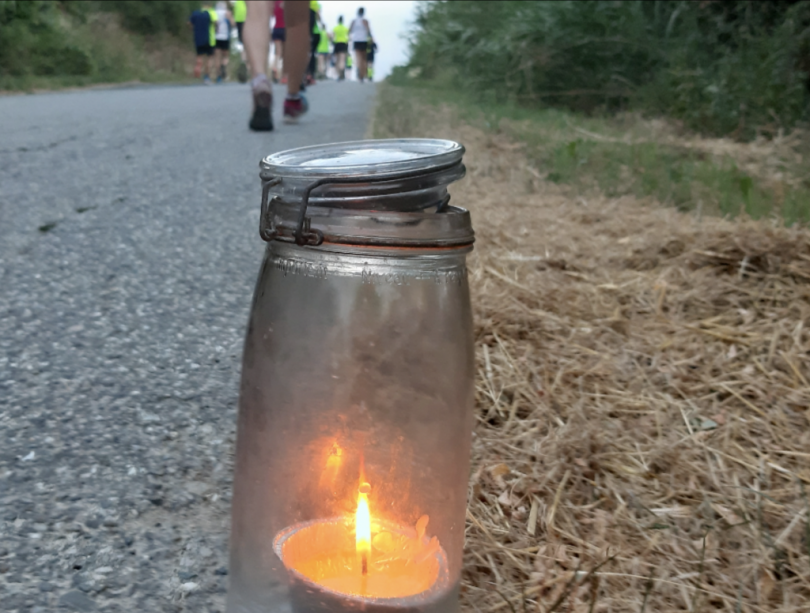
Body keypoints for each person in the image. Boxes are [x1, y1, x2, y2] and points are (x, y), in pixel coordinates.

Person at [244, 0, 309, 130]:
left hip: (276, 30)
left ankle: (261, 82)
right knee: (297, 20)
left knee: (256, 11)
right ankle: (293, 98)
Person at [189, 4, 215, 84]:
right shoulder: (209, 14)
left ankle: (197, 73)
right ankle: (207, 76)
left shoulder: (195, 13)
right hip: (208, 39)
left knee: (199, 57)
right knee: (209, 58)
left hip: (198, 39)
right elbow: (215, 23)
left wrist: (193, 29)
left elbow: (189, 23)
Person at [349, 7, 372, 82]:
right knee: (364, 59)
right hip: (364, 41)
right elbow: (368, 31)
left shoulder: (354, 21)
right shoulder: (365, 21)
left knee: (358, 58)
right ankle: (362, 74)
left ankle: (360, 75)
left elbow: (350, 31)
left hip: (356, 41)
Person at [214, 1, 233, 83]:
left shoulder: (214, 12)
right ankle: (223, 65)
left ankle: (218, 76)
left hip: (216, 37)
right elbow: (233, 24)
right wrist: (230, 18)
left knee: (217, 57)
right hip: (225, 37)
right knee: (225, 56)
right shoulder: (227, 13)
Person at [306, 1, 321, 85]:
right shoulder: (315, 2)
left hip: (305, 32)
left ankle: (305, 75)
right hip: (314, 32)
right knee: (311, 54)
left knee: (305, 53)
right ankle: (310, 75)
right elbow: (319, 17)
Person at [271, 0, 285, 83]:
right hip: (285, 28)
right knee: (285, 53)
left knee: (278, 53)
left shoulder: (275, 2)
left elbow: (272, 14)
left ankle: (274, 67)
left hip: (276, 29)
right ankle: (283, 74)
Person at [332, 16, 349, 81]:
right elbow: (348, 37)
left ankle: (338, 74)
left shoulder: (335, 28)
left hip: (337, 44)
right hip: (343, 44)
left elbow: (333, 37)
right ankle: (341, 73)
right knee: (342, 60)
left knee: (337, 60)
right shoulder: (345, 28)